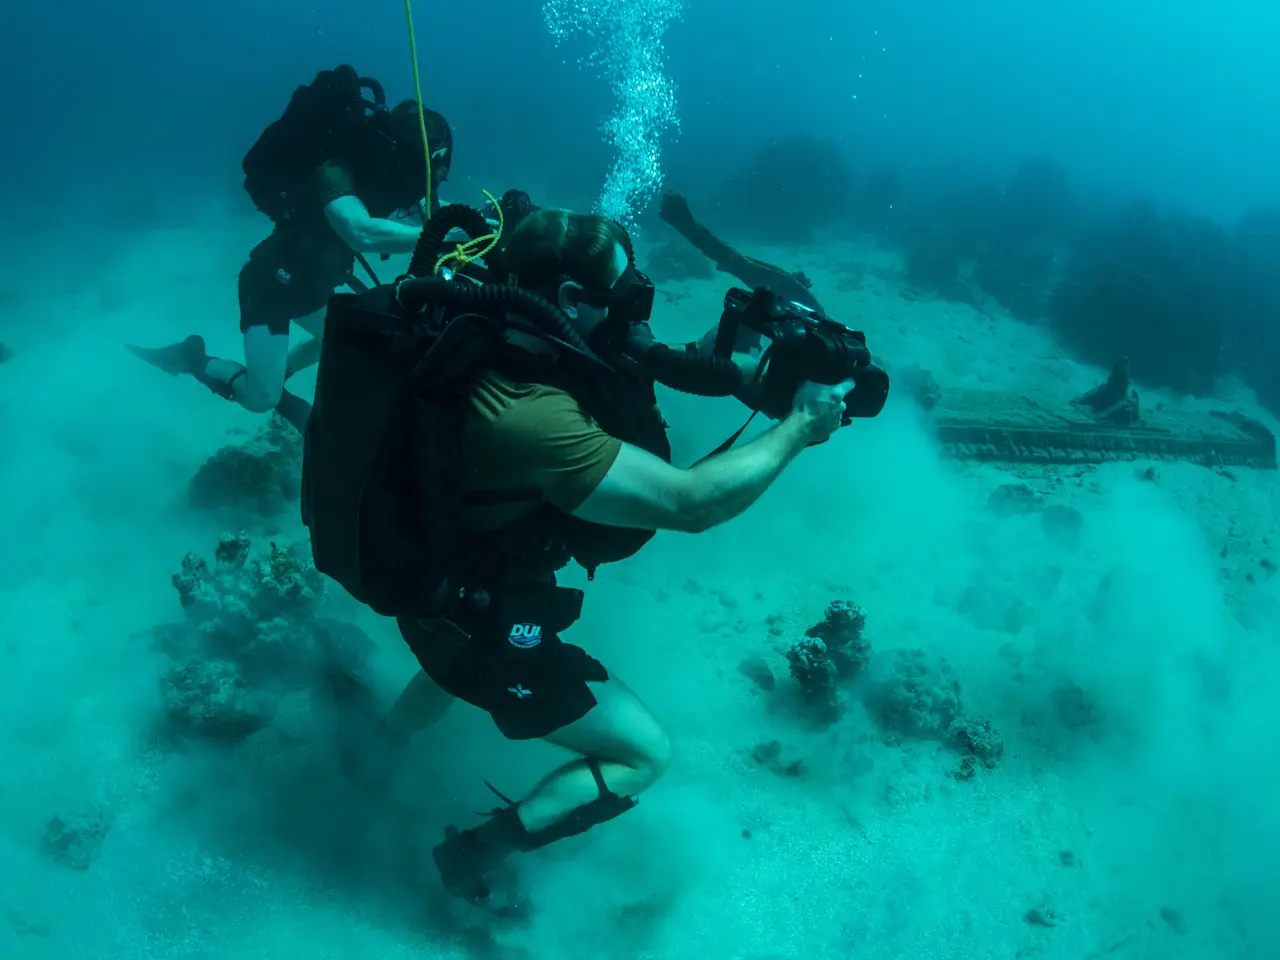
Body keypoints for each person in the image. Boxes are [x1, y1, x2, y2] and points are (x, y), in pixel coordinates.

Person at [306, 206, 855, 909]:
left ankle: (373, 757)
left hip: (446, 588)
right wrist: (801, 428)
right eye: (624, 302)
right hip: (469, 615)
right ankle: (475, 858)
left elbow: (622, 360)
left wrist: (737, 369)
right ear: (568, 300)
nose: (634, 318)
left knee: (444, 668)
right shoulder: (527, 413)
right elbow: (690, 504)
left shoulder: (487, 323)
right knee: (645, 753)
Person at [128, 67, 453, 434]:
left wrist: (486, 224)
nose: (432, 181)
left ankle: (280, 371)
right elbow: (360, 231)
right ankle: (193, 358)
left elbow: (432, 220)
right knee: (259, 398)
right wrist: (440, 235)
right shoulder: (336, 170)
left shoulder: (390, 183)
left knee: (346, 337)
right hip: (271, 286)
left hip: (314, 285)